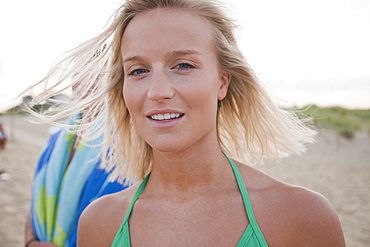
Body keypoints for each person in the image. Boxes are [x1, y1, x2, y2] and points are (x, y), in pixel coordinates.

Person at [26, 0, 346, 246]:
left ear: (222, 81)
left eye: (182, 65)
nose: (157, 92)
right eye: (138, 70)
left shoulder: (301, 216)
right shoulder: (99, 223)